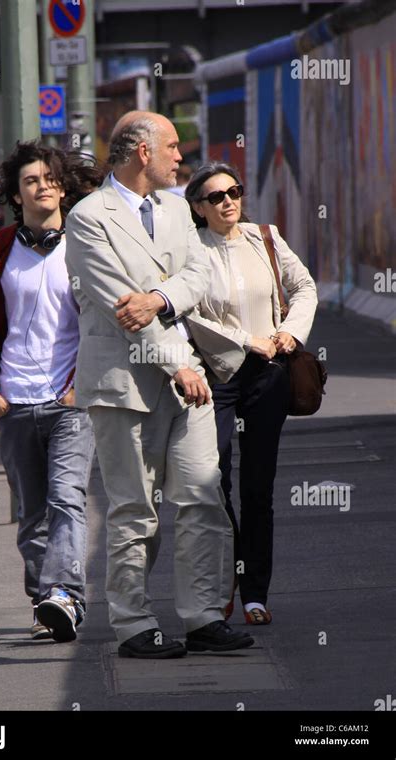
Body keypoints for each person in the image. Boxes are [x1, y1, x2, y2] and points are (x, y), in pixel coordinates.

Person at [65, 111, 254, 658]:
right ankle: (133, 623)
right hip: (126, 384)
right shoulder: (88, 217)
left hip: (184, 381)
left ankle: (200, 615)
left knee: (202, 496)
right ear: (143, 152)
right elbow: (122, 309)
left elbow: (197, 276)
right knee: (134, 510)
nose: (181, 156)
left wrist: (161, 298)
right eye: (172, 146)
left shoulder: (176, 208)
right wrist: (180, 364)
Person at [0, 140, 103, 642]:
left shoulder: (86, 243)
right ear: (16, 196)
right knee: (30, 515)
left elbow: (100, 323)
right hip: (14, 400)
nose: (42, 187)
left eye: (50, 178)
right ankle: (46, 601)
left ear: (63, 187)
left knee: (67, 499)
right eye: (30, 181)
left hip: (71, 402)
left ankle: (64, 593)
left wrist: (78, 387)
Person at [185, 161, 318, 625]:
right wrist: (245, 340)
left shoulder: (266, 237)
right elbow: (186, 314)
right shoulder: (189, 249)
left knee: (257, 488)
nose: (228, 201)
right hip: (216, 379)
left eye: (234, 191)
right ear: (198, 208)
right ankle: (221, 586)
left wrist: (291, 334)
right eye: (216, 196)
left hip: (268, 378)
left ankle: (255, 593)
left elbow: (304, 288)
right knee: (212, 485)